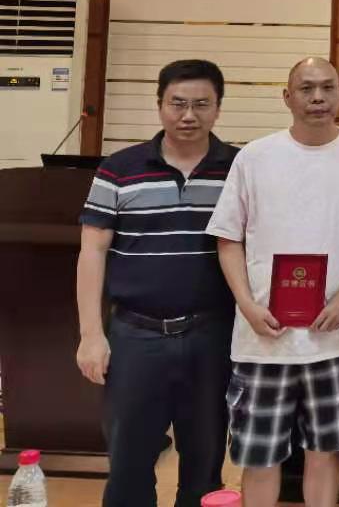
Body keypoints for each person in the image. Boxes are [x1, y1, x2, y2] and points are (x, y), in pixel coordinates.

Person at [206, 57, 339, 507]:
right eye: (306, 89)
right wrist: (247, 305)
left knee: (325, 454)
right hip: (262, 339)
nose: (318, 98)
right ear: (287, 97)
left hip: (334, 339)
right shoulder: (255, 156)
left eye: (327, 87)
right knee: (260, 457)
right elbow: (227, 239)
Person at [76, 59, 237, 507]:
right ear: (160, 105)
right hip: (135, 335)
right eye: (177, 103)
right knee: (129, 461)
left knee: (205, 461)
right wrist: (91, 335)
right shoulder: (119, 168)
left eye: (201, 104)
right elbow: (92, 252)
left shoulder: (239, 168)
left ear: (218, 108)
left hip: (212, 334)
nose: (189, 115)